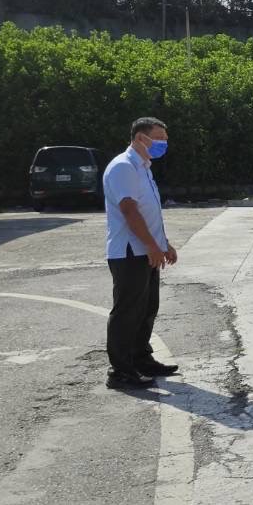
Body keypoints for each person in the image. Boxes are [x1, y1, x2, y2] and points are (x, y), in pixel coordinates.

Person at [101, 116, 180, 389]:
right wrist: (150, 245)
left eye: (165, 140)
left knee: (147, 308)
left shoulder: (144, 167)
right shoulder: (123, 167)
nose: (163, 144)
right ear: (139, 138)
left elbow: (150, 211)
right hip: (130, 252)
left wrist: (163, 244)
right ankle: (121, 371)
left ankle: (141, 359)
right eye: (159, 138)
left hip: (146, 251)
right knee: (128, 312)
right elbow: (129, 211)